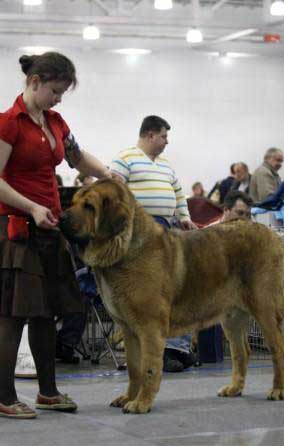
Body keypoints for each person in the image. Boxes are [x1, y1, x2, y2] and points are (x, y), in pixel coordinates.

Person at [0, 51, 111, 419]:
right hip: (17, 230)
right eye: (55, 91)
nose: (59, 98)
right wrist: (30, 206)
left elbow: (77, 159)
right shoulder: (8, 124)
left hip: (49, 229)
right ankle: (4, 396)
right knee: (12, 317)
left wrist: (110, 174)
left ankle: (48, 392)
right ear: (34, 83)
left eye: (62, 92)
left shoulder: (56, 122)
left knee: (46, 314)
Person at [111, 115, 196, 372]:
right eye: (163, 137)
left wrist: (185, 217)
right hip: (140, 236)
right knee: (144, 295)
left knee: (171, 290)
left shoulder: (167, 165)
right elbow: (114, 192)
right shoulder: (124, 158)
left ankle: (176, 349)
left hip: (167, 231)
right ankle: (145, 353)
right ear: (150, 135)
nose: (166, 142)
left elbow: (179, 194)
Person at [196, 190, 253, 364]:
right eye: (240, 213)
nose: (243, 219)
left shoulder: (249, 234)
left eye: (247, 215)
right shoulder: (207, 233)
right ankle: (210, 359)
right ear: (226, 210)